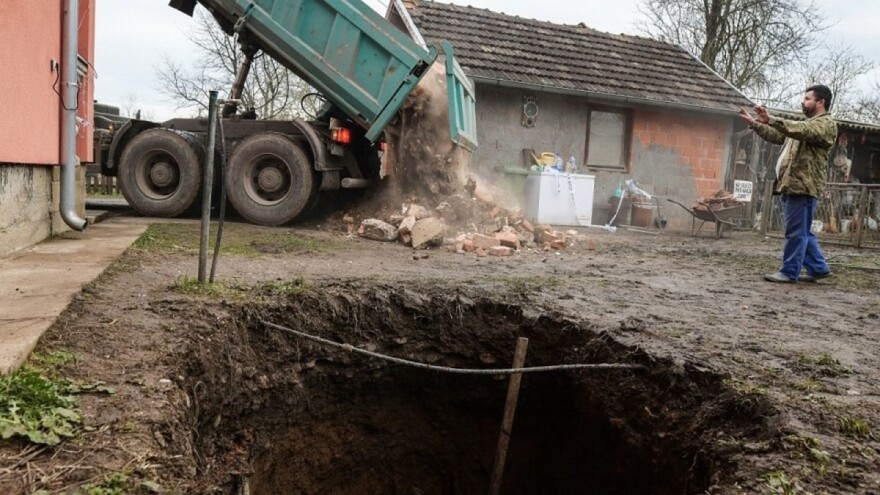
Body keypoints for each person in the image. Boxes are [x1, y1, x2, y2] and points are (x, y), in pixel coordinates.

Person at [739, 85, 837, 283]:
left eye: (808, 98)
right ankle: (818, 268)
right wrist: (756, 124)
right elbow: (779, 136)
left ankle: (789, 271)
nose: (803, 101)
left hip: (803, 186)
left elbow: (801, 130)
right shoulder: (805, 125)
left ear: (821, 102)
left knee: (796, 232)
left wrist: (773, 120)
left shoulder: (825, 124)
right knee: (802, 230)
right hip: (791, 185)